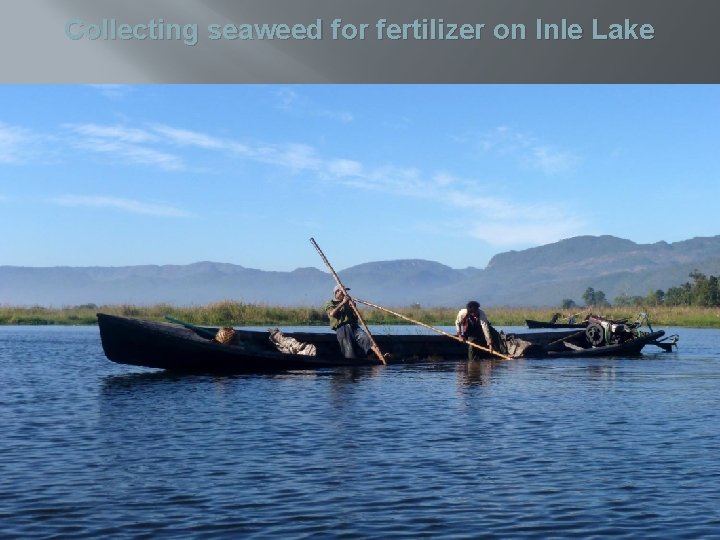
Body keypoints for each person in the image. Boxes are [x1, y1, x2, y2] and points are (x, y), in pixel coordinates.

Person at [324, 284, 374, 359]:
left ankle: (371, 357)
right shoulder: (330, 303)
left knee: (365, 338)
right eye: (342, 292)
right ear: (336, 292)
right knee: (349, 348)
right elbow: (332, 314)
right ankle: (351, 361)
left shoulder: (348, 302)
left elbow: (355, 318)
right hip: (342, 328)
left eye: (345, 292)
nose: (345, 294)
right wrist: (343, 303)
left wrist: (354, 308)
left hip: (353, 326)